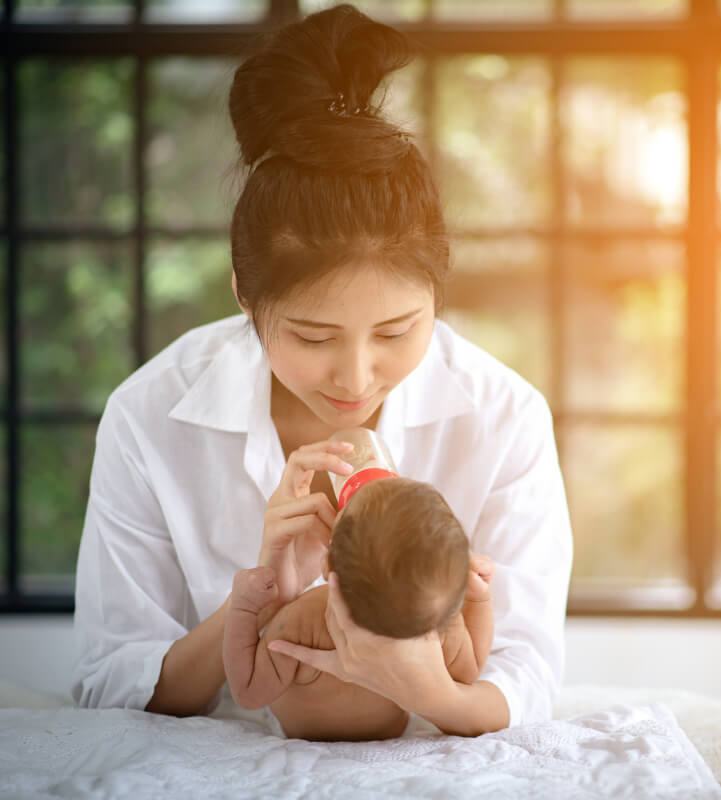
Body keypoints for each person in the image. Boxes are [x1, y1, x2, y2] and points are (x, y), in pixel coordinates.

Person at [71, 2, 573, 736]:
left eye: (398, 331)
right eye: (312, 336)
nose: (357, 377)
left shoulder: (504, 416)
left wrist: (430, 683)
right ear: (245, 295)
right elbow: (109, 680)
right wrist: (263, 594)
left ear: (437, 294)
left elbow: (525, 675)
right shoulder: (150, 415)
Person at [223, 475, 496, 740]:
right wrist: (478, 599)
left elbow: (248, 692)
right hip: (390, 736)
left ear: (327, 565)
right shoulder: (434, 630)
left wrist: (243, 610)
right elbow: (469, 671)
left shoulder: (302, 623)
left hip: (303, 740)